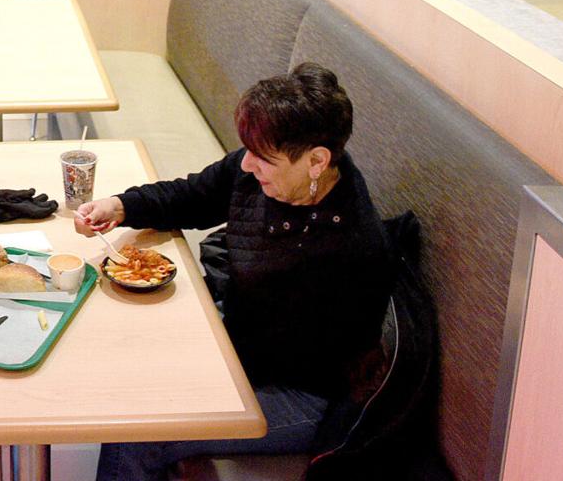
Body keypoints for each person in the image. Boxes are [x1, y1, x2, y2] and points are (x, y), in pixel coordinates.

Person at [76, 63, 393, 481]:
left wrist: (184, 352)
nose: (246, 166)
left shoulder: (349, 248)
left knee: (141, 429)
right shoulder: (264, 167)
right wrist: (119, 206)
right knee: (129, 362)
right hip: (244, 343)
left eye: (262, 159)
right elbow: (194, 194)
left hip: (301, 394)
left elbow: (290, 360)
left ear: (317, 160)